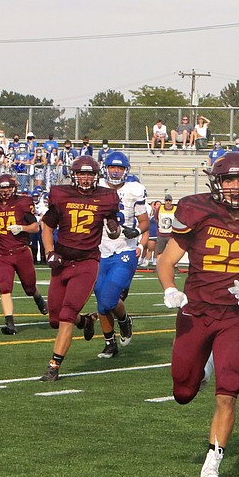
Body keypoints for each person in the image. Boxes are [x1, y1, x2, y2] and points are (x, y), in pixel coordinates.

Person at [156, 152, 239, 477]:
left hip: (236, 316)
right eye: (228, 180)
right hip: (196, 310)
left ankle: (212, 466)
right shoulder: (198, 212)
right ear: (217, 183)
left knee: (228, 390)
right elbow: (166, 260)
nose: (235, 186)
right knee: (183, 391)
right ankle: (203, 368)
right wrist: (170, 289)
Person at [38, 156, 121, 381]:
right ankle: (85, 321)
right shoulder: (61, 194)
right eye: (81, 174)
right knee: (55, 318)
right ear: (73, 175)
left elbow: (114, 231)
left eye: (90, 174)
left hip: (86, 263)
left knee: (66, 315)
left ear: (96, 176)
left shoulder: (106, 197)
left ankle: (54, 366)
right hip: (62, 262)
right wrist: (49, 252)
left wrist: (114, 228)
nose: (85, 178)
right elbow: (47, 226)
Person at [0, 175, 47, 334]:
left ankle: (39, 299)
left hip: (21, 251)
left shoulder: (23, 202)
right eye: (2, 189)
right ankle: (10, 323)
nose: (6, 192)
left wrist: (22, 228)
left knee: (29, 288)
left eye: (8, 189)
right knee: (4, 287)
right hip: (2, 254)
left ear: (14, 188)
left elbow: (35, 227)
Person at [93, 151, 148, 359]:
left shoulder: (135, 189)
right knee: (101, 301)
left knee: (108, 300)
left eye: (120, 168)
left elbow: (143, 221)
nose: (115, 171)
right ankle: (109, 343)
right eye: (112, 167)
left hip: (124, 249)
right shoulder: (97, 188)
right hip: (100, 249)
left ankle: (124, 321)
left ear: (126, 170)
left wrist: (138, 232)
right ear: (105, 168)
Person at [155, 194, 178, 263]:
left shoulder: (175, 209)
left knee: (173, 251)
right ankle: (159, 266)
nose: (168, 202)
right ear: (164, 201)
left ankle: (174, 265)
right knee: (160, 251)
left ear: (171, 201)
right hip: (161, 233)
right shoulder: (160, 208)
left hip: (172, 234)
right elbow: (156, 218)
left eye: (169, 200)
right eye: (166, 200)